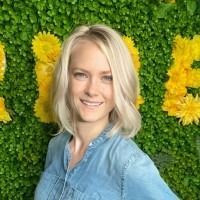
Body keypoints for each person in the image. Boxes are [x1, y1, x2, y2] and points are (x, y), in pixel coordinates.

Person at [35, 24, 179, 200]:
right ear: (65, 79)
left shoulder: (128, 164)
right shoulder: (57, 146)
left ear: (121, 85)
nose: (92, 90)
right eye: (81, 74)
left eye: (107, 78)